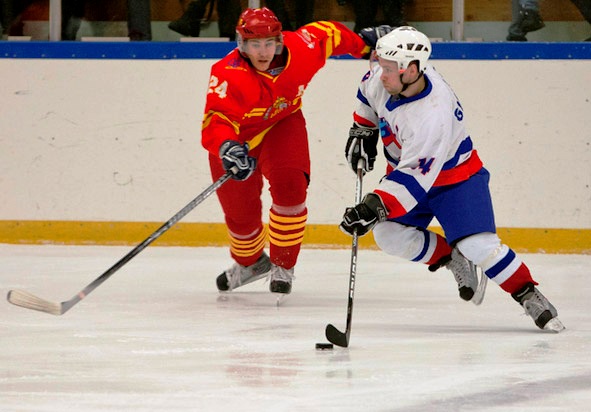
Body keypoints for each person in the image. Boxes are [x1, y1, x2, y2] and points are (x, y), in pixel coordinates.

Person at [339, 26, 565, 332]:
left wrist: (372, 206)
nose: (382, 74)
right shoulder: (389, 76)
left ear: (412, 70)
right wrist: (362, 129)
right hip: (411, 176)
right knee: (388, 235)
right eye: (381, 65)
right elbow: (366, 94)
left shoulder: (432, 116)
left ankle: (527, 293)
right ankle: (451, 257)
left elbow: (413, 179)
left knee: (479, 246)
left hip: (456, 180)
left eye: (389, 69)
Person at [202, 7, 378, 295]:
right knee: (239, 216)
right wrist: (226, 146)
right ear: (242, 44)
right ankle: (250, 264)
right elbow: (217, 119)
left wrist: (364, 46)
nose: (263, 52)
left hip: (281, 125)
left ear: (279, 41)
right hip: (237, 143)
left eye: (269, 43)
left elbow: (328, 35)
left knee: (291, 186)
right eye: (255, 44)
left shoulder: (302, 49)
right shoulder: (226, 73)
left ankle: (283, 264)